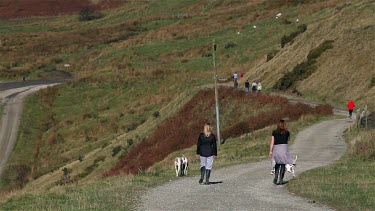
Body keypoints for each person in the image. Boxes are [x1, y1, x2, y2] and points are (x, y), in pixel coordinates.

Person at [269, 119, 294, 185]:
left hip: (276, 149)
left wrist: (270, 151)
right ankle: (281, 180)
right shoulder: (287, 132)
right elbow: (287, 140)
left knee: (277, 163)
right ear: (284, 125)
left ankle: (275, 178)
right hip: (284, 149)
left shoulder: (274, 132)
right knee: (283, 164)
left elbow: (272, 142)